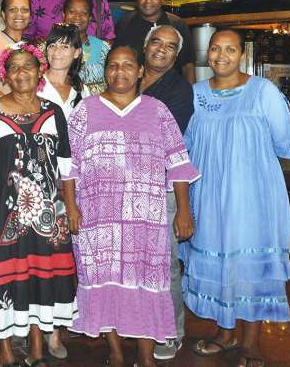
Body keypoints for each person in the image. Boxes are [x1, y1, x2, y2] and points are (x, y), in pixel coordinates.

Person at [65, 45, 199, 367]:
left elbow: (178, 161)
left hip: (146, 219)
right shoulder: (85, 110)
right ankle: (114, 352)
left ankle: (145, 357)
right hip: (97, 218)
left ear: (140, 71)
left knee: (147, 283)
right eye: (113, 65)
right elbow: (68, 165)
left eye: (127, 65)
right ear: (105, 71)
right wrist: (71, 207)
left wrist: (184, 210)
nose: (119, 71)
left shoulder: (157, 110)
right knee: (105, 280)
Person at [181, 29, 290, 367]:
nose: (221, 56)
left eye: (230, 49)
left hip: (254, 197)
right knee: (221, 261)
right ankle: (225, 333)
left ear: (242, 55)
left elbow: (285, 142)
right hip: (209, 195)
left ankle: (251, 342)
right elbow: (183, 146)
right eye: (215, 49)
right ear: (207, 53)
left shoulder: (263, 92)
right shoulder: (194, 94)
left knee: (249, 265)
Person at [0, 42, 78, 367]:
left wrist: (71, 207)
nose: (21, 72)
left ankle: (38, 349)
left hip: (49, 216)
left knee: (41, 278)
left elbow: (66, 165)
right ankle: (5, 352)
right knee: (5, 277)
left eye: (28, 65)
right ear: (5, 75)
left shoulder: (53, 111)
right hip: (7, 215)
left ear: (40, 71)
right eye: (13, 67)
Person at [138, 25, 194, 362]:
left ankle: (172, 332)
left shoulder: (178, 90)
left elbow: (162, 140)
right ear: (145, 46)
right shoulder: (127, 75)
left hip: (160, 185)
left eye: (170, 46)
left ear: (177, 55)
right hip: (123, 185)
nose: (161, 49)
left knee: (164, 264)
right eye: (156, 42)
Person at [37, 23, 84, 359]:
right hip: (37, 182)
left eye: (65, 46)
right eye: (52, 45)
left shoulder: (83, 93)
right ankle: (40, 332)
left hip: (73, 184)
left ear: (77, 53)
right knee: (42, 258)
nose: (57, 52)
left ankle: (57, 328)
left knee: (66, 259)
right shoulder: (33, 85)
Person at [114, 0, 195, 83]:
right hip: (134, 89)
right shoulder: (125, 24)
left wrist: (190, 91)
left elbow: (187, 66)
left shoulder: (177, 24)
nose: (148, 0)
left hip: (171, 89)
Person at [63, 0, 109, 95]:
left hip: (96, 102)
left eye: (83, 13)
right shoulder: (53, 47)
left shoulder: (103, 47)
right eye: (72, 12)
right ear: (64, 15)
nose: (77, 17)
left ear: (89, 18)